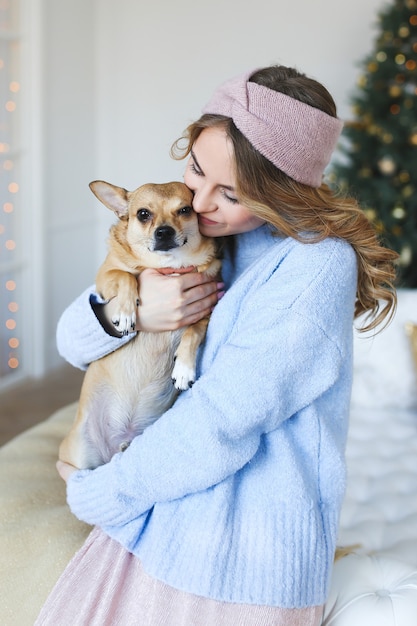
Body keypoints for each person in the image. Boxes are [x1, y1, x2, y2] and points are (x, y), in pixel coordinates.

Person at [35, 65, 397, 626]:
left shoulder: (315, 265)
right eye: (196, 171)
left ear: (282, 192)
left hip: (243, 553)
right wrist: (139, 316)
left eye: (228, 192)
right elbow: (69, 340)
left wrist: (107, 491)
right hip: (166, 503)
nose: (198, 202)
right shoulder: (208, 235)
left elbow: (225, 416)